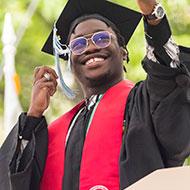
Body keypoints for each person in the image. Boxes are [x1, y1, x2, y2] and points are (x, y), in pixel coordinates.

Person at [0, 0, 190, 190]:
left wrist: (153, 19)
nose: (90, 48)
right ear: (70, 62)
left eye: (101, 38)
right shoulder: (56, 132)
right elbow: (14, 181)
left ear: (123, 52)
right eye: (79, 44)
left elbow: (166, 75)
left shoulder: (143, 103)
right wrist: (33, 116)